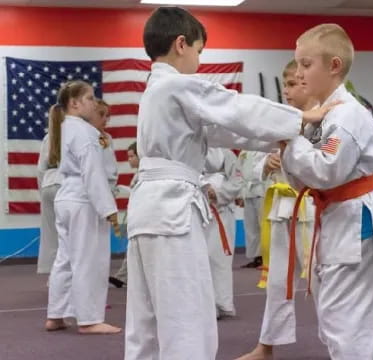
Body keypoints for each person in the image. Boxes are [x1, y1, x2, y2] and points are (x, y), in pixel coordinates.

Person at [124, 6, 333, 360]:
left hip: (151, 209)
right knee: (185, 313)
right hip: (171, 208)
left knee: (146, 317)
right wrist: (302, 117)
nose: (199, 60)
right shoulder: (175, 85)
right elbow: (235, 108)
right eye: (199, 50)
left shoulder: (157, 91)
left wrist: (279, 138)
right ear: (181, 44)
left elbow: (219, 130)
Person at [280, 24, 373, 359]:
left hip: (355, 221)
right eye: (297, 65)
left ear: (334, 66)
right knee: (339, 321)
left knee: (345, 324)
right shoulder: (322, 115)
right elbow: (304, 179)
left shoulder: (347, 115)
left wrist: (290, 141)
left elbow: (325, 171)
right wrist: (294, 143)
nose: (299, 74)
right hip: (338, 218)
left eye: (306, 64)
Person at [236, 59, 318, 360]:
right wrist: (265, 165)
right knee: (277, 282)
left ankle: (343, 345)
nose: (287, 90)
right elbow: (253, 163)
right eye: (285, 85)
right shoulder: (280, 122)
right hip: (282, 210)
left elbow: (324, 167)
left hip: (311, 211)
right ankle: (266, 345)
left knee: (320, 281)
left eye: (293, 84)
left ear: (309, 84)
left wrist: (286, 160)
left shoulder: (323, 123)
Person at [45, 80, 121, 335]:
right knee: (90, 259)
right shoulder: (86, 132)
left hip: (67, 197)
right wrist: (108, 209)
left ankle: (55, 314)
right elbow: (92, 174)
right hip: (83, 199)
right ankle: (89, 319)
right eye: (90, 97)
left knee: (65, 258)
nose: (94, 102)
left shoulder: (65, 127)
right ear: (74, 103)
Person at [203, 148, 243, 318]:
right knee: (202, 259)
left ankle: (223, 302)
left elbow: (237, 181)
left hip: (222, 211)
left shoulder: (227, 153)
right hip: (200, 209)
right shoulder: (191, 148)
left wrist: (219, 193)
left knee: (221, 259)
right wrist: (204, 188)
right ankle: (206, 304)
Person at [109, 142, 139, 288]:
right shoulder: (137, 175)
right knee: (132, 248)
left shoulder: (145, 175)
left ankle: (124, 276)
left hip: (143, 217)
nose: (129, 160)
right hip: (136, 215)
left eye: (132, 156)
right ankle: (123, 276)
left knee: (134, 247)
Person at [36, 118, 63, 275]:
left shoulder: (48, 137)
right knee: (68, 235)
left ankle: (53, 274)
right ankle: (67, 275)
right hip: (66, 186)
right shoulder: (75, 134)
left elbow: (40, 169)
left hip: (48, 184)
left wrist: (43, 190)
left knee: (50, 236)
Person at [238, 150, 266, 269]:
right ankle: (257, 257)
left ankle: (267, 257)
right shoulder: (244, 152)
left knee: (264, 226)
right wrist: (239, 194)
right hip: (248, 192)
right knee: (251, 228)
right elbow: (239, 172)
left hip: (263, 190)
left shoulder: (267, 148)